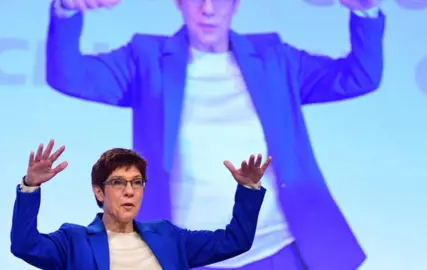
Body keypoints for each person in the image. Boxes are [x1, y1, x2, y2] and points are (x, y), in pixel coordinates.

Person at [45, 0, 385, 269]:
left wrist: (366, 11)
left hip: (278, 249)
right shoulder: (146, 58)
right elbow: (70, 76)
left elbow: (358, 77)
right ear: (179, 3)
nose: (208, 8)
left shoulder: (273, 58)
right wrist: (68, 8)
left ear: (235, 4)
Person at [10, 139, 271, 270]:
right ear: (99, 192)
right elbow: (25, 245)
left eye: (137, 182)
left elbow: (235, 241)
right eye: (118, 183)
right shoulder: (73, 240)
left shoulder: (169, 236)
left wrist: (248, 188)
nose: (129, 191)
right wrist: (31, 186)